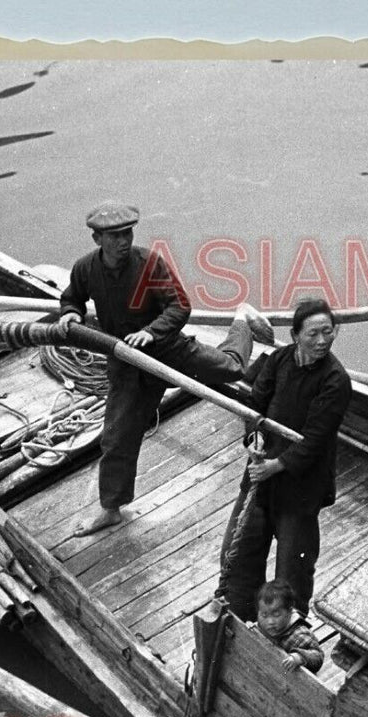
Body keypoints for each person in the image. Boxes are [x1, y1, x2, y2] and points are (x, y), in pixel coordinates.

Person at [57, 202, 272, 535]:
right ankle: (111, 508)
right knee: (116, 437)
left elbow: (179, 306)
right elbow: (73, 297)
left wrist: (151, 331)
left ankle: (241, 320)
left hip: (167, 348)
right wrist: (70, 312)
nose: (123, 241)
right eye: (114, 236)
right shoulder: (85, 269)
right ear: (97, 238)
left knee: (231, 369)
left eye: (127, 233)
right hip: (127, 362)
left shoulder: (149, 264)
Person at [216, 296, 352, 621]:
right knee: (237, 556)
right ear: (295, 336)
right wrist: (256, 437)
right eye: (313, 334)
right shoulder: (277, 361)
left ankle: (287, 635)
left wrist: (276, 466)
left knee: (293, 570)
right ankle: (237, 618)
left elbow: (315, 440)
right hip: (260, 477)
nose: (322, 341)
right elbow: (254, 406)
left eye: (328, 332)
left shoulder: (336, 381)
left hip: (300, 486)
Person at [254, 580, 325, 674]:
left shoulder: (300, 634)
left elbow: (318, 656)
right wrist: (253, 630)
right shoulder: (264, 626)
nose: (270, 622)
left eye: (276, 615)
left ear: (289, 612)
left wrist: (299, 657)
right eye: (264, 615)